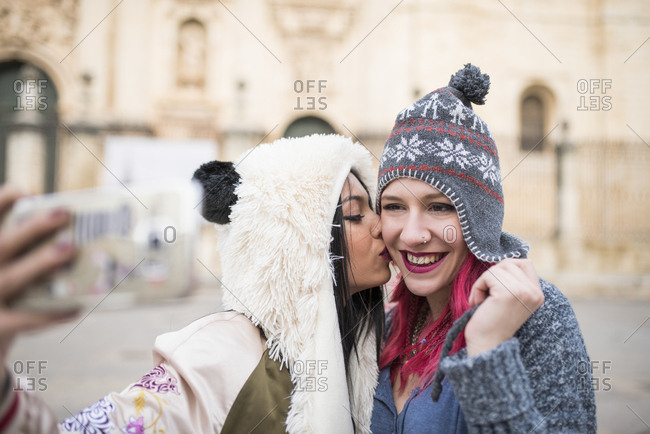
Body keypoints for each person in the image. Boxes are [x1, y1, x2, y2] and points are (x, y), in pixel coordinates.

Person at [0, 134, 391, 433]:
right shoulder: (221, 353)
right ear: (293, 240)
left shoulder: (374, 339)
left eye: (373, 206)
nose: (381, 226)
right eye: (355, 215)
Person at [370, 64, 597, 433]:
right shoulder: (390, 325)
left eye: (439, 206)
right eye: (395, 206)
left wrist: (489, 350)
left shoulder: (535, 317)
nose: (412, 235)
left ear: (480, 219)